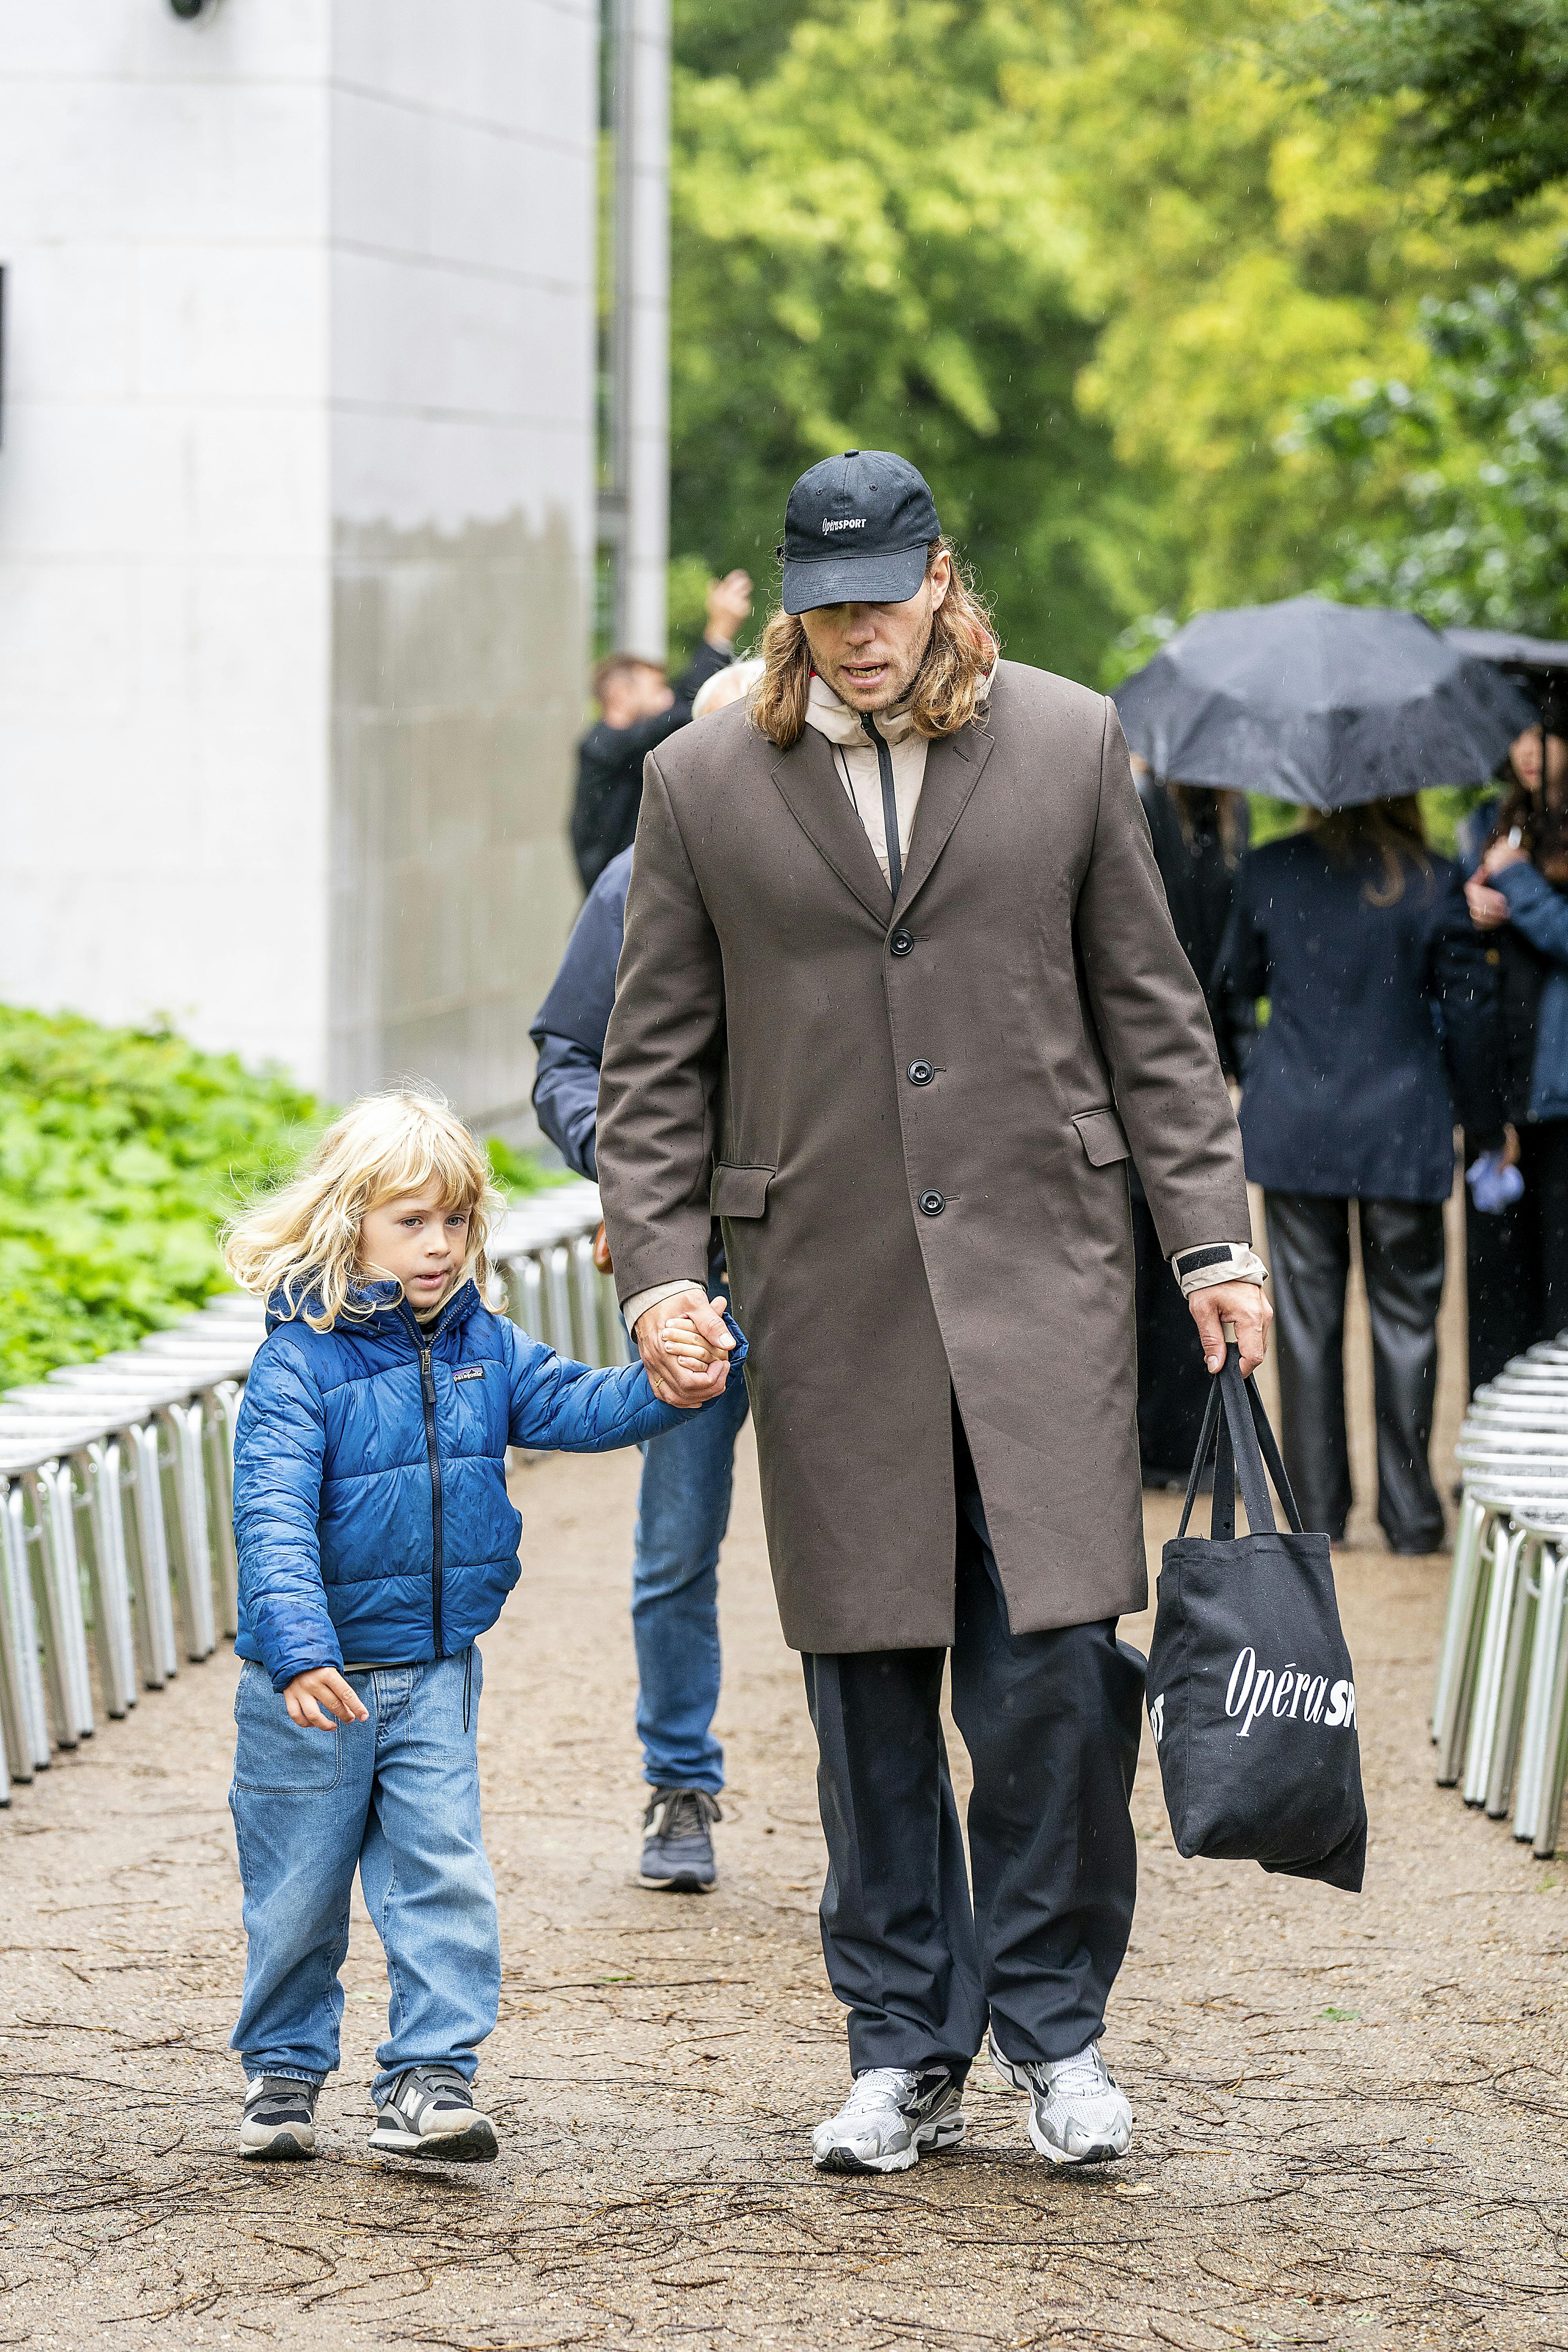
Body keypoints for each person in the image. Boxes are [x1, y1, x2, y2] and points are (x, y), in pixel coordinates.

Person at [594, 449, 1270, 2176]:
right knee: (867, 1698)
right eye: (821, 606)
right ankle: (900, 2041)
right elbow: (652, 1063)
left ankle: (1055, 2033)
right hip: (824, 1306)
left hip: (1044, 1290)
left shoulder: (1061, 742)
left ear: (938, 576)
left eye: (879, 599)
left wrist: (1212, 1246)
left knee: (1051, 1686)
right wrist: (663, 1267)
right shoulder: (696, 782)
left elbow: (1153, 1017)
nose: (852, 634)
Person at [221, 1089, 743, 2164]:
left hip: (435, 1674)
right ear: (346, 1220)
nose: (439, 1245)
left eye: (455, 1222)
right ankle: (282, 2070)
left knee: (442, 1873)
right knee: (295, 1896)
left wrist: (667, 1389)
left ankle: (430, 2076)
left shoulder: (480, 1345)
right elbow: (269, 1523)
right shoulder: (296, 1367)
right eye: (411, 1221)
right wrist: (300, 1650)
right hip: (309, 1690)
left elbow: (578, 1405)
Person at [530, 657, 764, 1896]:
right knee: (676, 1541)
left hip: (835, 1267)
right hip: (689, 1269)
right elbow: (565, 1059)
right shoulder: (631, 884)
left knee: (881, 1536)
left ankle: (880, 1791)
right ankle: (679, 1778)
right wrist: (630, 1175)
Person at [1215, 799, 1503, 1554]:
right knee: (1406, 1323)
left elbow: (1231, 989)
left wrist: (1264, 1071)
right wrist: (1482, 1121)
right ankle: (1410, 1518)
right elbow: (1469, 1007)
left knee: (1306, 1328)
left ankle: (1316, 1516)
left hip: (1296, 1125)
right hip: (1400, 1128)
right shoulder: (1432, 879)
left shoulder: (1271, 869)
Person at [1131, 770, 1253, 1485]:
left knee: (1194, 1260)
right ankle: (1164, 1444)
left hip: (1191, 1058)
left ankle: (1185, 1443)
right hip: (1161, 1051)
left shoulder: (1220, 832)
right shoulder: (1157, 820)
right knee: (1161, 1266)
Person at [1461, 688, 1568, 1385]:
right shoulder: (1485, 827)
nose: (1529, 750)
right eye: (1518, 734)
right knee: (1495, 1290)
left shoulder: (1522, 854)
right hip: (1497, 1088)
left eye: (1546, 735)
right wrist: (1465, 902)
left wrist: (1518, 883)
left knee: (1559, 1286)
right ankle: (1489, 1457)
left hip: (1559, 1098)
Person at [570, 570, 753, 891]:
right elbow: (682, 713)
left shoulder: (620, 748)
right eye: (656, 689)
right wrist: (718, 633)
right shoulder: (602, 748)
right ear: (621, 696)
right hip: (619, 920)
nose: (667, 697)